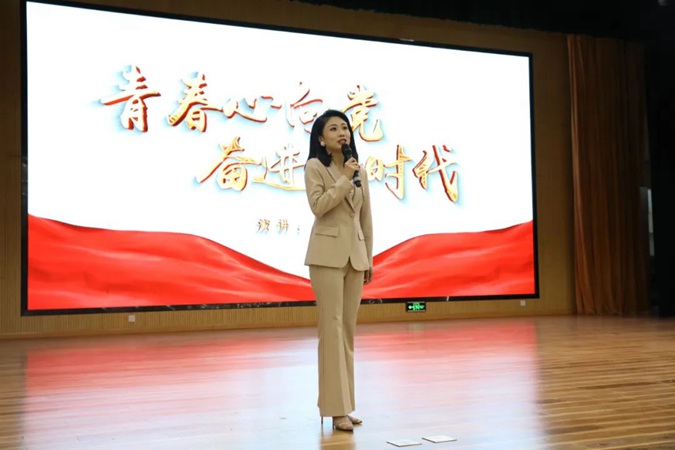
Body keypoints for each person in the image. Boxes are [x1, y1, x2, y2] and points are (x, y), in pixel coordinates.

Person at [304, 109, 374, 432]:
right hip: (327, 257)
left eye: (345, 127)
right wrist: (344, 179)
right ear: (321, 138)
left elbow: (366, 218)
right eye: (333, 128)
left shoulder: (359, 171)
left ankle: (346, 405)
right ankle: (334, 410)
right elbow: (318, 206)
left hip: (355, 257)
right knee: (330, 331)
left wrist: (368, 256)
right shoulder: (314, 167)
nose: (342, 133)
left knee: (346, 331)